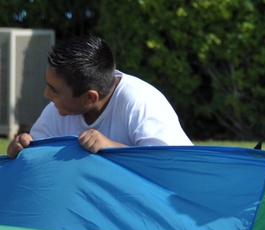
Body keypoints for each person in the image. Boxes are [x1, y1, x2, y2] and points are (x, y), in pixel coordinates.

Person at [5, 34, 192, 158]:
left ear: (90, 98)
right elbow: (36, 161)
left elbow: (175, 165)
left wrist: (112, 148)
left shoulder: (141, 103)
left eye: (55, 90)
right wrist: (20, 150)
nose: (46, 94)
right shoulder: (57, 110)